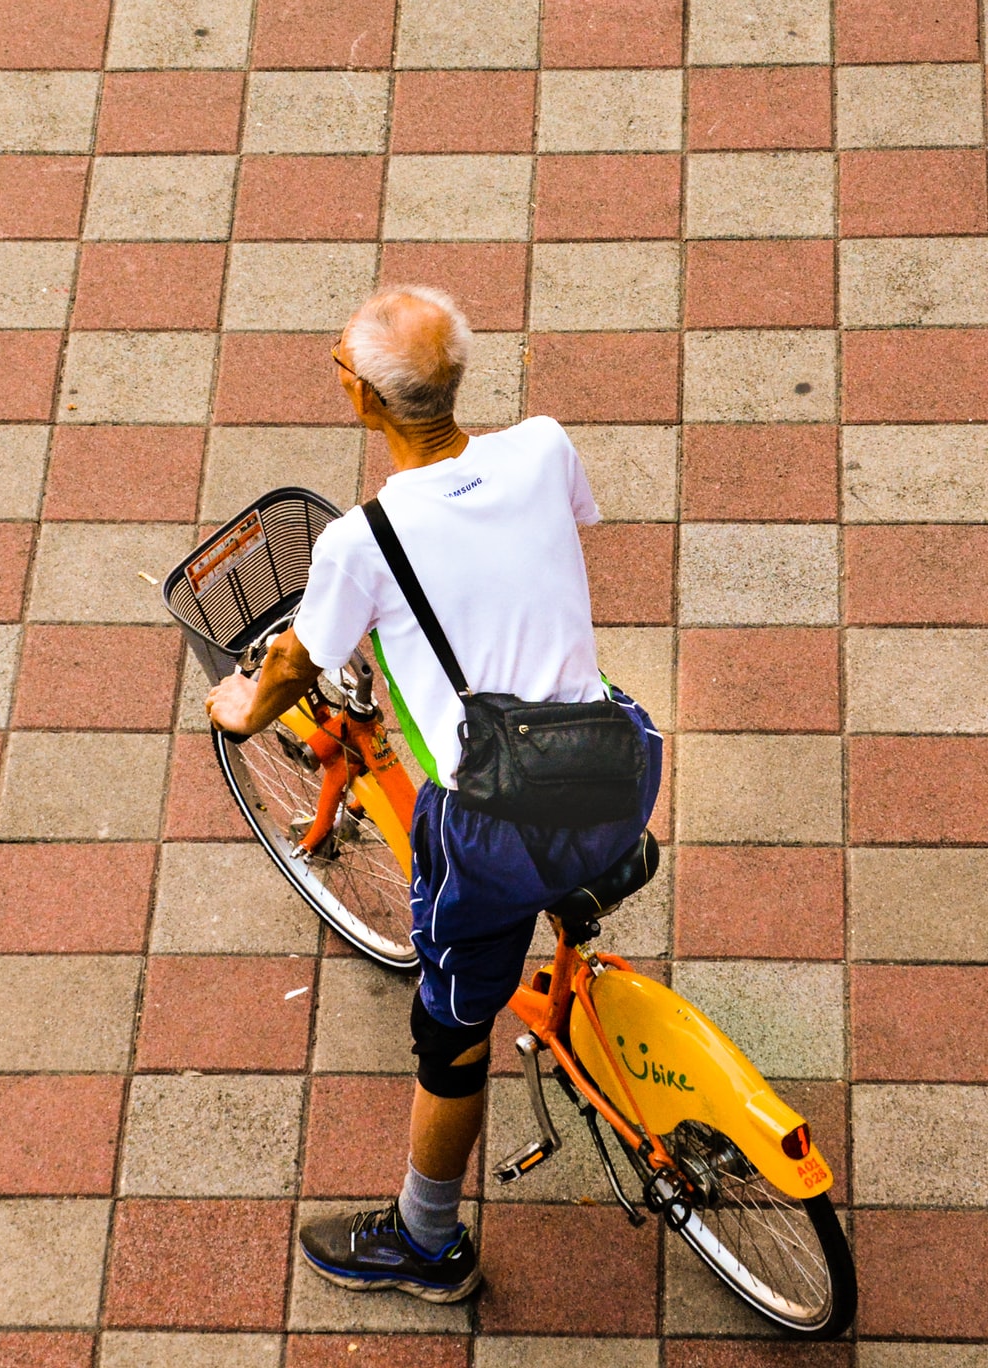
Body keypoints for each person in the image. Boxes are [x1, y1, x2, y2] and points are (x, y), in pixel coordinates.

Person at [204, 285, 662, 1302]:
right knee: (600, 695)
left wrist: (243, 710)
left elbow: (292, 664)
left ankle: (428, 1244)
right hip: (622, 770)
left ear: (363, 400)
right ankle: (594, 872)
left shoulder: (359, 543)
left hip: (500, 824)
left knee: (451, 1036)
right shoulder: (544, 447)